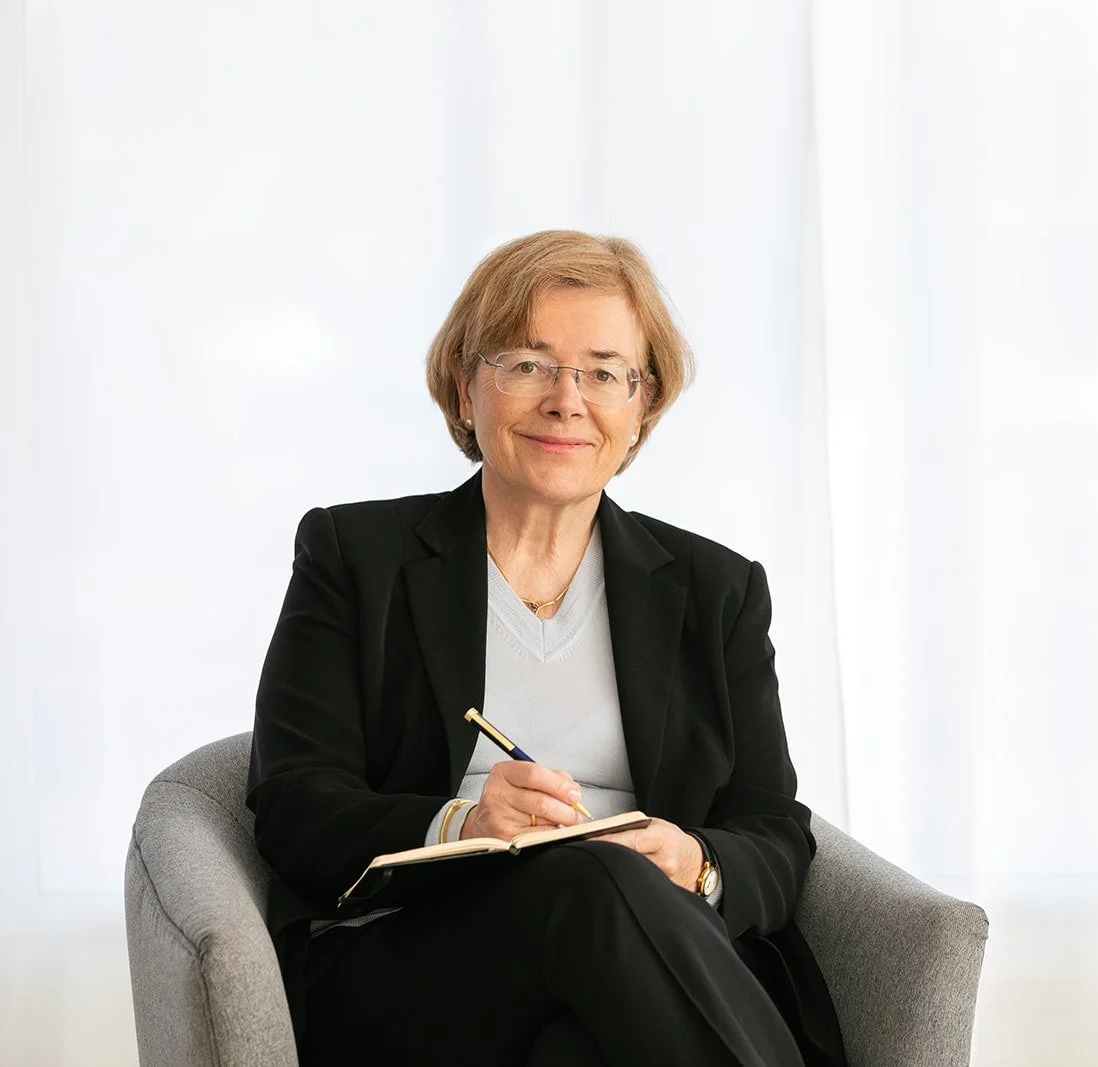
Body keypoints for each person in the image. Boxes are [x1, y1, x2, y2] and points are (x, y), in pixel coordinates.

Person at [247, 231, 845, 1066]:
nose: (567, 398)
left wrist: (695, 859)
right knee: (590, 882)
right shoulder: (355, 556)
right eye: (528, 363)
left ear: (641, 408)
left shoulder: (717, 590)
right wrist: (464, 819)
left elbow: (775, 831)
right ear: (465, 389)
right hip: (411, 960)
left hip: (642, 962)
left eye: (603, 372)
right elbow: (293, 801)